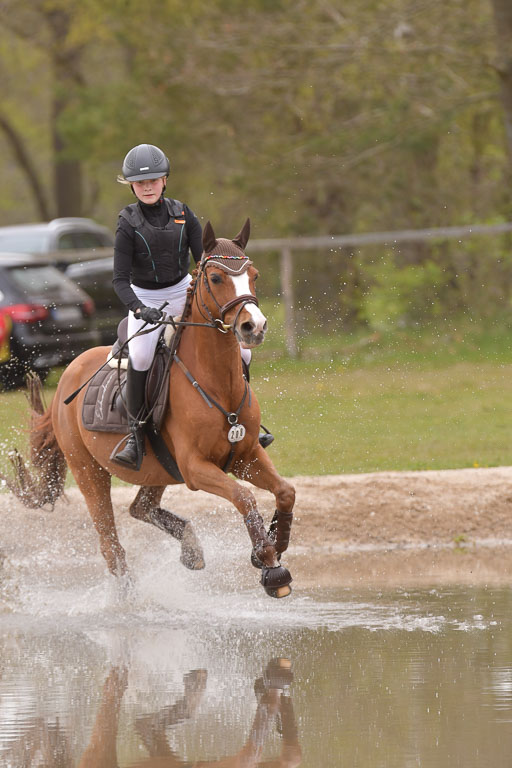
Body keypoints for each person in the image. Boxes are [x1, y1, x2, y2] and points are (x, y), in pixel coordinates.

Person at [111, 143, 203, 469]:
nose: (147, 187)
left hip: (183, 291)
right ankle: (136, 436)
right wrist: (139, 309)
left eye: (153, 180)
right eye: (140, 182)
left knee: (243, 350)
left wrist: (201, 294)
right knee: (141, 355)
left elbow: (202, 261)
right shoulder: (127, 222)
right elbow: (119, 280)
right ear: (132, 185)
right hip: (145, 297)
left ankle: (244, 419)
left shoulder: (184, 213)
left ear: (165, 180)